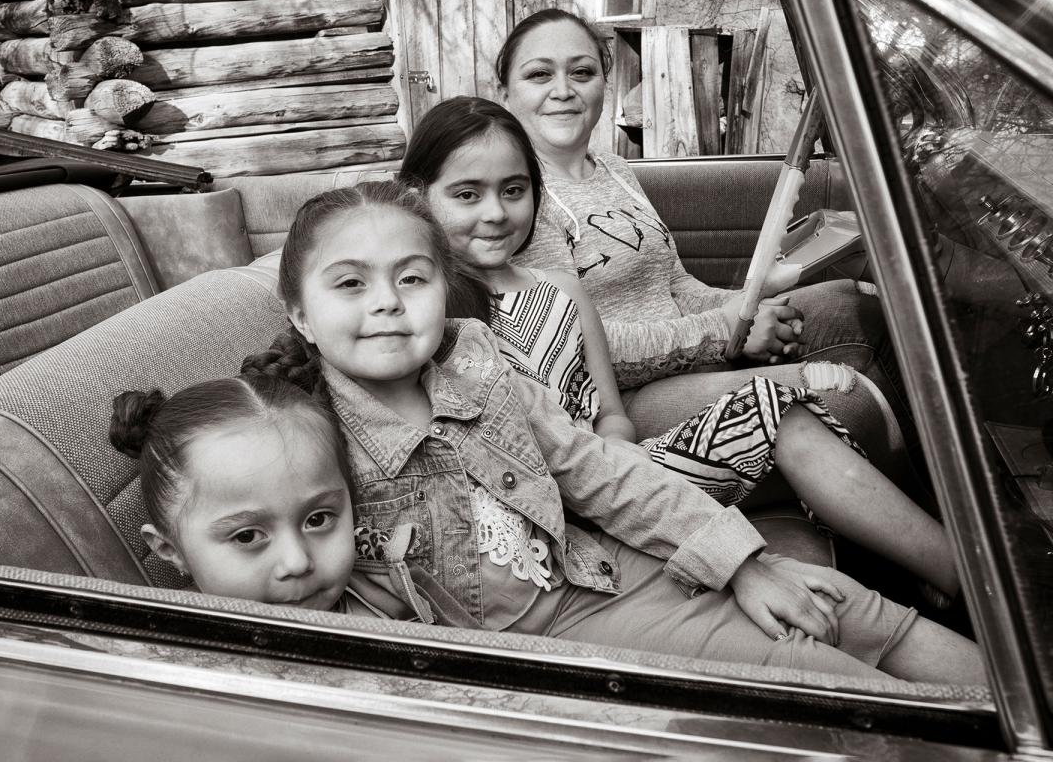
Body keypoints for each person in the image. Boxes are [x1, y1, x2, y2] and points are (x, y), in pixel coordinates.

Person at [245, 177, 984, 683]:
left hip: (602, 565)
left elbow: (600, 469)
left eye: (412, 278)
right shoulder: (302, 437)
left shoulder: (478, 369)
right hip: (545, 637)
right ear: (301, 314)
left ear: (443, 288)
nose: (387, 303)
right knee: (806, 660)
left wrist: (742, 562)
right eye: (350, 284)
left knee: (844, 604)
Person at [399, 95, 961, 606]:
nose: (496, 213)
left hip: (623, 471)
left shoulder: (562, 289)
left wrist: (618, 447)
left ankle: (965, 576)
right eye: (467, 195)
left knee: (779, 411)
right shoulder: (433, 314)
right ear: (418, 196)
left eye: (513, 191)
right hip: (552, 503)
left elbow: (612, 410)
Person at [495, 8, 906, 447]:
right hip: (622, 400)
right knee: (844, 399)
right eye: (539, 75)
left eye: (581, 72)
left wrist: (745, 311)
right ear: (504, 95)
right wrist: (721, 331)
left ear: (603, 84)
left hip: (690, 360)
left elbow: (675, 285)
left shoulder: (614, 170)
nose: (563, 90)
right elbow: (571, 348)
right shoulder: (519, 198)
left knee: (853, 306)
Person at [107, 372, 477, 626]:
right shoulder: (182, 672)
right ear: (171, 550)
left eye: (318, 519)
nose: (297, 562)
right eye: (247, 536)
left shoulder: (394, 587)